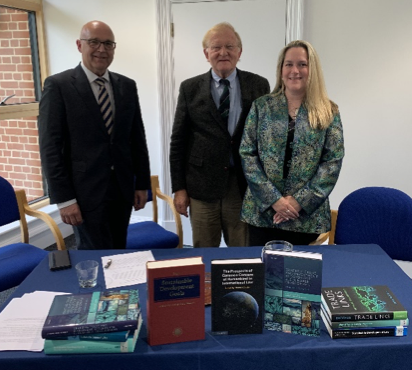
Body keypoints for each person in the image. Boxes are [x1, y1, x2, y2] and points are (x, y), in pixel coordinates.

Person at [38, 20, 151, 250]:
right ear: (80, 45)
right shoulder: (58, 86)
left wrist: (141, 184)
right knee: (94, 255)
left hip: (121, 189)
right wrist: (65, 199)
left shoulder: (126, 86)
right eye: (94, 42)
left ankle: (120, 289)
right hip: (83, 193)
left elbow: (137, 139)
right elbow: (50, 148)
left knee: (119, 248)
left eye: (108, 43)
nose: (101, 49)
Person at [170, 22, 270, 247]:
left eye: (229, 46)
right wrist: (179, 188)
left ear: (239, 52)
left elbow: (266, 139)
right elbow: (178, 141)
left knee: (242, 252)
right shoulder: (190, 88)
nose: (223, 52)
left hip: (242, 186)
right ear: (206, 53)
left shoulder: (259, 85)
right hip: (201, 186)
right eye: (216, 47)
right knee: (205, 251)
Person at [240, 40, 344, 246]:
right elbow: (247, 153)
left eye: (302, 64)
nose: (294, 70)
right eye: (288, 64)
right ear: (281, 69)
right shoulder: (262, 107)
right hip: (263, 215)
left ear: (312, 69)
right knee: (262, 274)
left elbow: (332, 161)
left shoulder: (328, 111)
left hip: (305, 217)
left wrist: (299, 202)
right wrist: (275, 200)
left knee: (301, 276)